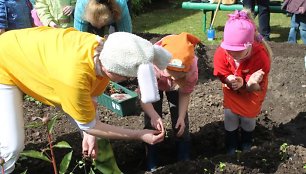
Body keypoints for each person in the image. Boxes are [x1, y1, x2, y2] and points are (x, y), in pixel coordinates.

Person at [0, 26, 172, 173]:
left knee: (96, 137)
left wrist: (90, 134)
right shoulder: (74, 78)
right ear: (111, 70)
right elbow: (90, 125)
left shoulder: (104, 49)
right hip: (5, 62)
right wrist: (138, 135)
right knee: (11, 146)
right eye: (126, 76)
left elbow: (91, 98)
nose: (128, 79)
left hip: (37, 57)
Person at [213, 10, 272, 155]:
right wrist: (228, 79)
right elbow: (221, 71)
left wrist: (248, 84)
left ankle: (246, 144)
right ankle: (231, 147)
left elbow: (257, 86)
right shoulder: (222, 52)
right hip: (231, 89)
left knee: (247, 119)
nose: (234, 56)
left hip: (252, 92)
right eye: (230, 51)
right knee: (230, 115)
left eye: (239, 53)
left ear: (250, 45)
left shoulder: (260, 56)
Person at [141, 32, 201, 171]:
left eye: (177, 78)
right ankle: (152, 162)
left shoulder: (191, 69)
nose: (173, 80)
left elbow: (185, 93)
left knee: (181, 123)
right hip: (155, 82)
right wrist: (154, 115)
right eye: (171, 76)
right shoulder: (151, 65)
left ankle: (183, 159)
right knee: (152, 123)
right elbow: (145, 98)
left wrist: (180, 116)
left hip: (174, 82)